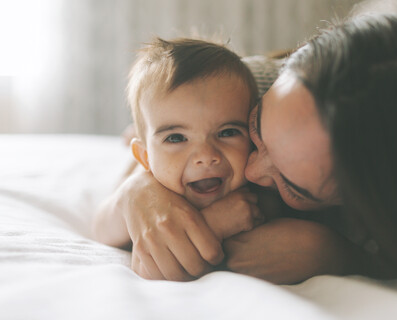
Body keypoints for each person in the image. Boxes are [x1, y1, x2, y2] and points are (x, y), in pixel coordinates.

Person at [99, 15, 397, 286]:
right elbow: (155, 129)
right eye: (255, 128)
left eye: (294, 186)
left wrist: (342, 256)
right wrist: (141, 191)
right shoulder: (260, 84)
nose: (249, 172)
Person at [93, 38, 276, 280]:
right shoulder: (147, 186)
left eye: (228, 132)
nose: (206, 156)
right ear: (146, 157)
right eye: (177, 138)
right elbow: (103, 229)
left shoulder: (258, 198)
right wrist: (213, 224)